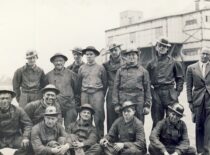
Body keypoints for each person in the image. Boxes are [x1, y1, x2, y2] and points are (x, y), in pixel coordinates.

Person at [146, 37, 184, 128]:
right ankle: (155, 142)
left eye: (164, 46)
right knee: (156, 121)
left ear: (167, 48)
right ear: (156, 47)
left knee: (172, 120)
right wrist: (151, 93)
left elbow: (180, 79)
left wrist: (176, 92)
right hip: (156, 94)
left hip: (170, 94)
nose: (162, 48)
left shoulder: (174, 62)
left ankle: (170, 142)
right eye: (160, 45)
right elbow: (146, 81)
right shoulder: (150, 64)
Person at [112, 48, 151, 123]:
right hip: (124, 99)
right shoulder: (120, 71)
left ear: (137, 56)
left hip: (138, 100)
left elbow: (147, 89)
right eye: (129, 55)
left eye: (133, 54)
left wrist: (147, 105)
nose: (131, 57)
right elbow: (115, 88)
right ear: (126, 57)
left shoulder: (144, 71)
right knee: (124, 123)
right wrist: (116, 104)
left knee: (139, 122)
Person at [78, 46, 107, 138]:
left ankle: (100, 137)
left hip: (97, 93)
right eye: (87, 54)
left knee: (99, 117)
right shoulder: (81, 68)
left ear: (95, 56)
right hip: (85, 93)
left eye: (91, 54)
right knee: (85, 115)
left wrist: (101, 94)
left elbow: (105, 83)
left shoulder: (100, 68)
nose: (89, 56)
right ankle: (86, 138)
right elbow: (79, 83)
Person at [186, 47, 210, 155]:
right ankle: (200, 150)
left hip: (209, 99)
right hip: (198, 100)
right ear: (199, 54)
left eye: (207, 54)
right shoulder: (191, 68)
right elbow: (189, 86)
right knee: (199, 125)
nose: (205, 56)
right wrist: (190, 102)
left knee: (208, 125)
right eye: (203, 53)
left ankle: (207, 150)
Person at [46, 53, 78, 128]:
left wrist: (75, 105)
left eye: (61, 61)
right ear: (53, 62)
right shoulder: (48, 76)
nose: (58, 63)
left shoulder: (72, 74)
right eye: (56, 61)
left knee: (70, 128)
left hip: (70, 105)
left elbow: (77, 90)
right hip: (55, 106)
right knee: (56, 127)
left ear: (64, 62)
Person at [0, 87, 32, 155]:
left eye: (7, 98)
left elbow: (27, 124)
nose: (5, 101)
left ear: (11, 99)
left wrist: (25, 137)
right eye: (2, 98)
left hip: (14, 137)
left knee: (29, 145)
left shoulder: (18, 110)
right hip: (1, 138)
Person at [103, 43, 122, 131]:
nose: (114, 52)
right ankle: (110, 140)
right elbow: (104, 81)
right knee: (111, 117)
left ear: (120, 50)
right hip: (111, 92)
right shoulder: (105, 65)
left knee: (122, 116)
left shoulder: (125, 63)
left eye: (116, 50)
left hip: (123, 92)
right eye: (112, 51)